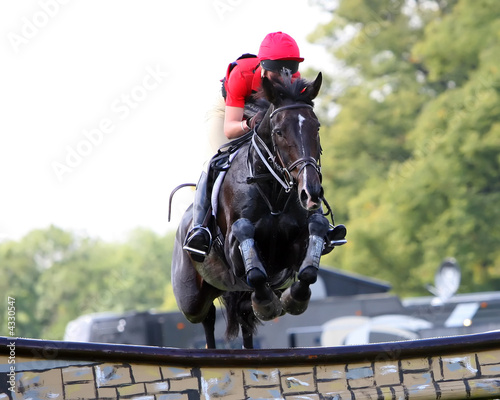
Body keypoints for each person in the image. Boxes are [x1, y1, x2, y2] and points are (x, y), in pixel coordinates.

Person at [183, 32, 346, 262]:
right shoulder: (241, 74)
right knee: (215, 161)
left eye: (288, 69)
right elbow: (230, 129)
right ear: (263, 66)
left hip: (268, 116)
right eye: (278, 71)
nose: (284, 76)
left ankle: (319, 221)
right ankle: (201, 229)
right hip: (230, 114)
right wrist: (249, 123)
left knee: (296, 157)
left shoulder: (291, 76)